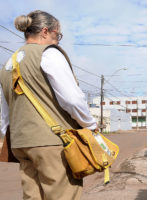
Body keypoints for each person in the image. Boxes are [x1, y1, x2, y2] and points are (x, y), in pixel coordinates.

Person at [0, 10, 97, 199]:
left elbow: (4, 110)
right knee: (62, 195)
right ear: (45, 32)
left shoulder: (7, 64)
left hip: (20, 143)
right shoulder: (49, 54)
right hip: (52, 142)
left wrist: (5, 137)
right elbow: (72, 99)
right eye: (57, 35)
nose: (58, 40)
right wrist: (90, 125)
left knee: (32, 196)